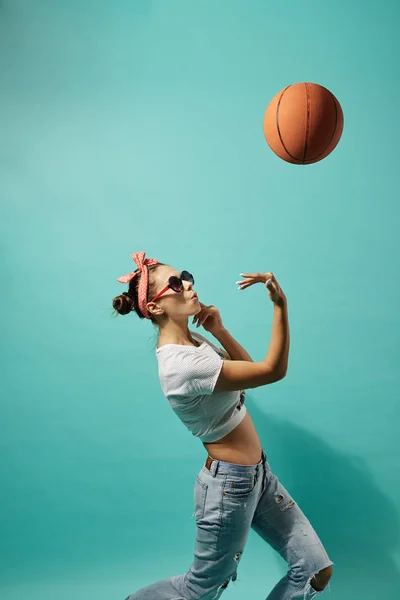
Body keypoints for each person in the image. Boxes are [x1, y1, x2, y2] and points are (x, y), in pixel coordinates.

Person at [113, 251, 334, 600]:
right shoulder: (181, 363)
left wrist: (219, 330)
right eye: (175, 283)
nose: (187, 284)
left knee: (315, 570)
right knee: (198, 589)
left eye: (185, 275)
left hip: (258, 477)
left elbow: (245, 375)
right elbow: (272, 370)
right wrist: (280, 305)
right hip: (229, 487)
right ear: (155, 307)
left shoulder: (195, 343)